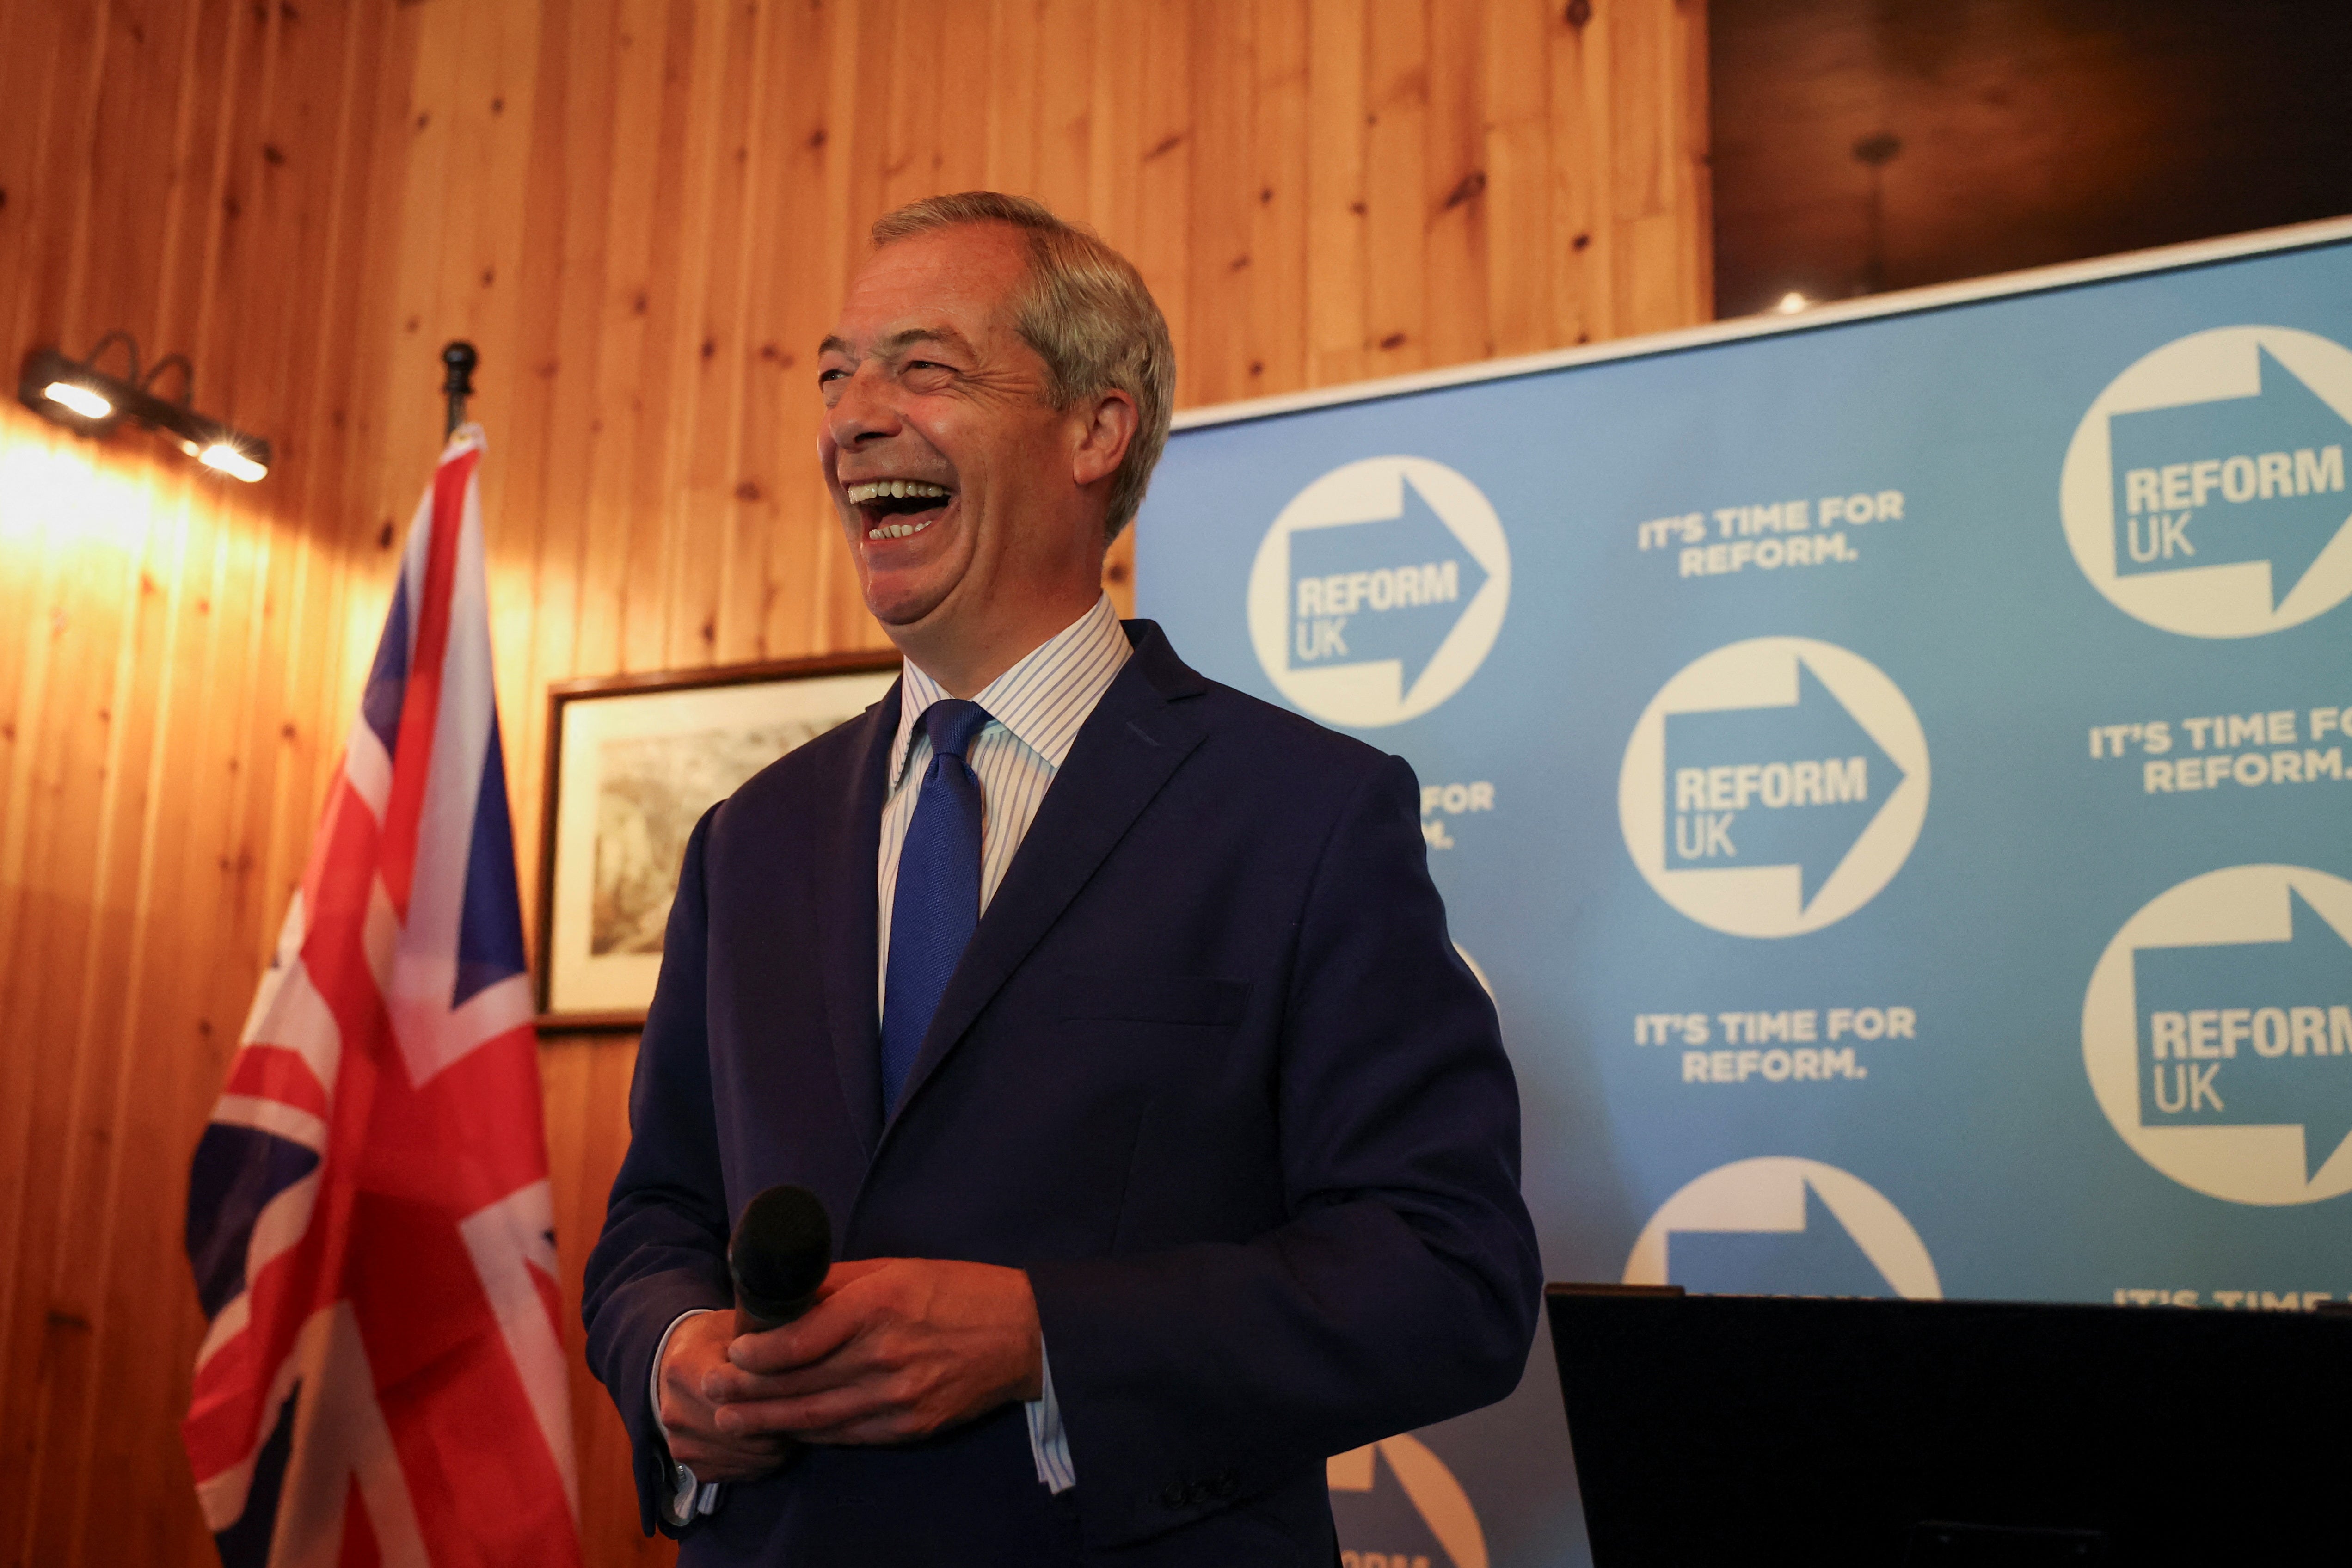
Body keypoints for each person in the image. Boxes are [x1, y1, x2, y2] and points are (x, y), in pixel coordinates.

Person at [582, 191, 1541, 1566]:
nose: (853, 415)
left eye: (923, 367)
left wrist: (1044, 1341)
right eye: (838, 373)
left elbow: (1450, 1274)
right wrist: (671, 1353)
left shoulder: (1306, 817)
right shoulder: (749, 840)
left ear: (1097, 427)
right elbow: (658, 1217)